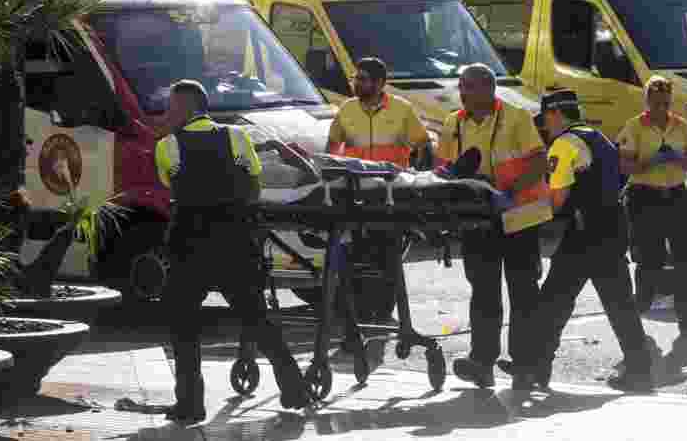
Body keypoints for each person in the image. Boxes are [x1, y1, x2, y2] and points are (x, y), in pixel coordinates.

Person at [155, 79, 309, 424]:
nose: (167, 114)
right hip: (235, 242)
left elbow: (172, 186)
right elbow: (254, 183)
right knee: (256, 316)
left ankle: (191, 405)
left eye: (171, 107)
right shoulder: (237, 137)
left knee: (184, 324)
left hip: (189, 245)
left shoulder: (168, 146)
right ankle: (294, 387)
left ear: (185, 109)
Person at [511, 89, 655, 392]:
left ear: (555, 115)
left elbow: (556, 202)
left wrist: (514, 219)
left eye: (546, 121)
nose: (545, 128)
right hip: (613, 226)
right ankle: (640, 370)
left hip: (585, 234)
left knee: (553, 302)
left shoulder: (564, 144)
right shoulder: (597, 136)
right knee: (620, 304)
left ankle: (536, 368)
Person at [437, 63, 550, 388]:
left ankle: (525, 364)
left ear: (489, 89)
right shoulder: (453, 123)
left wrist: (507, 192)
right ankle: (481, 362)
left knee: (523, 293)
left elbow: (539, 162)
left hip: (519, 217)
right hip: (479, 221)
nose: (463, 93)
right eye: (461, 86)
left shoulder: (516, 118)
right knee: (484, 293)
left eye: (469, 86)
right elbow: (444, 167)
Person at [325, 57, 430, 323]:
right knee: (356, 255)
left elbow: (423, 145)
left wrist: (414, 179)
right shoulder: (346, 110)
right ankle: (357, 313)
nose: (356, 84)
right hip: (355, 195)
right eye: (355, 78)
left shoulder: (402, 110)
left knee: (387, 256)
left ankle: (382, 312)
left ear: (380, 83)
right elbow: (331, 149)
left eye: (362, 79)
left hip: (389, 196)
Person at [617, 75, 687, 345]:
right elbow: (625, 168)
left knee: (686, 261)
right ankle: (637, 320)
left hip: (677, 196)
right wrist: (651, 161)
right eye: (655, 103)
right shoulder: (633, 127)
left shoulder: (680, 126)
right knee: (649, 262)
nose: (660, 109)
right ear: (646, 102)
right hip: (645, 198)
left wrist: (678, 157)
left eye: (665, 103)